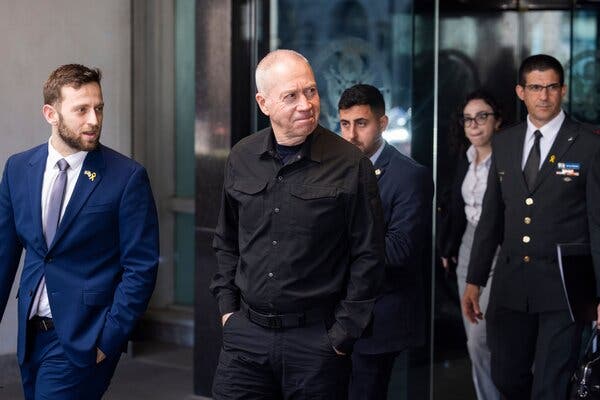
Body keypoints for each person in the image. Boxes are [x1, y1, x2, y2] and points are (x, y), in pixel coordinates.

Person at [210, 50, 385, 399]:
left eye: (311, 91)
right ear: (264, 103)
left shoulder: (351, 164)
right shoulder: (242, 157)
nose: (306, 104)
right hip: (246, 336)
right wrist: (228, 312)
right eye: (290, 96)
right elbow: (227, 240)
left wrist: (341, 335)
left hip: (316, 343)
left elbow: (369, 256)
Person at [0, 64, 159, 399]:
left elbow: (141, 268)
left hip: (85, 338)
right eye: (81, 110)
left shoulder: (126, 177)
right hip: (30, 336)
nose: (94, 120)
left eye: (99, 108)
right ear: (50, 113)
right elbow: (4, 255)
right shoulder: (18, 168)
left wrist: (108, 340)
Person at [462, 54, 600, 400]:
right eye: (536, 88)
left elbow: (599, 224)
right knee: (506, 377)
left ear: (563, 90)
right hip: (510, 286)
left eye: (552, 87)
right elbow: (492, 218)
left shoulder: (588, 144)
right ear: (521, 92)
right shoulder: (505, 142)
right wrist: (475, 280)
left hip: (565, 289)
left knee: (550, 386)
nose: (544, 96)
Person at [338, 84, 433, 399]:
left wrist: (333, 249)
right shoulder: (333, 170)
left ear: (382, 123)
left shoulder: (409, 176)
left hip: (380, 318)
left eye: (361, 123)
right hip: (334, 315)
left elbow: (400, 249)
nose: (351, 134)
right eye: (345, 124)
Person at [438, 90, 502, 400]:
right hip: (466, 246)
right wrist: (447, 247)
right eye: (467, 119)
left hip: (499, 248)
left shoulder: (507, 159)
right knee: (473, 336)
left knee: (483, 335)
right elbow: (454, 209)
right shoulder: (465, 159)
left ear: (497, 121)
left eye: (482, 117)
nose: (474, 125)